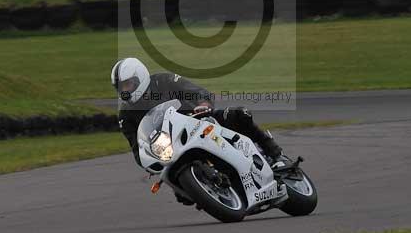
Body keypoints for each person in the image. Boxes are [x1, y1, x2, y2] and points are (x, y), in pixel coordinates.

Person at [111, 57, 286, 168]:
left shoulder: (163, 81)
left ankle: (273, 152)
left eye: (128, 84)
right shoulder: (125, 115)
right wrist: (149, 161)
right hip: (171, 148)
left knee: (240, 115)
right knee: (183, 195)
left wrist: (203, 103)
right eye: (121, 87)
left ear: (139, 77)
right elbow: (137, 148)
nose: (125, 90)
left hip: (199, 120)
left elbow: (195, 90)